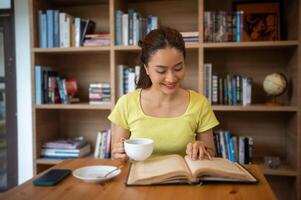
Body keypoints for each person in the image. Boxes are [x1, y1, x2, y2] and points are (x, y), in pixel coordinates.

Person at [108, 27, 219, 162]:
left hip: (183, 181)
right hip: (138, 181)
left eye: (178, 68)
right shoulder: (126, 103)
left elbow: (211, 153)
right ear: (146, 68)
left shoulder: (200, 103)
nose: (171, 78)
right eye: (161, 71)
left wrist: (201, 148)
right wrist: (118, 154)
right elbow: (116, 156)